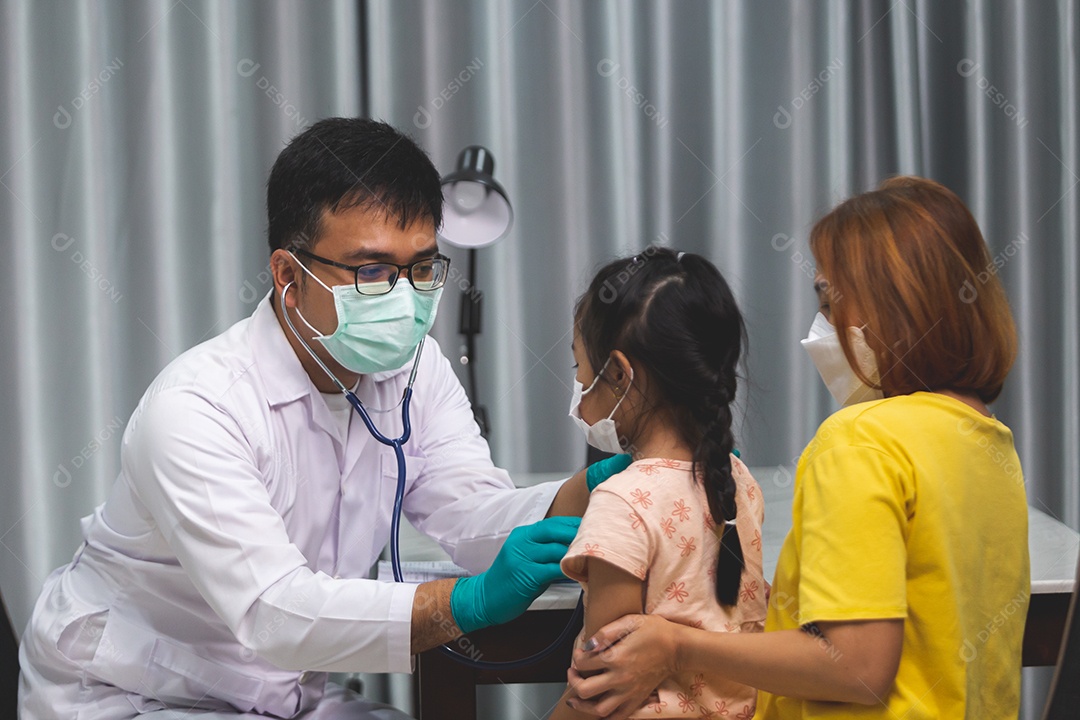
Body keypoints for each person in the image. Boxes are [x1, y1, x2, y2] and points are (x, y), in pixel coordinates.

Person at [18, 118, 629, 719]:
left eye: (421, 268)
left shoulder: (416, 368)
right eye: (371, 272)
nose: (406, 299)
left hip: (278, 693)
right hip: (131, 692)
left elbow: (468, 512)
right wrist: (467, 605)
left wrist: (590, 494)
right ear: (288, 275)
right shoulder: (198, 408)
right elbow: (275, 610)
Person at [563, 176, 1030, 720]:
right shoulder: (989, 440)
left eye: (831, 304)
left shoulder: (862, 442)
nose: (821, 326)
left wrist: (676, 644)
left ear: (894, 309)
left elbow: (857, 665)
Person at [550, 249, 766, 720]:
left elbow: (598, 688)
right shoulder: (739, 480)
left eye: (579, 369)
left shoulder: (620, 501)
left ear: (620, 375)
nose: (579, 387)